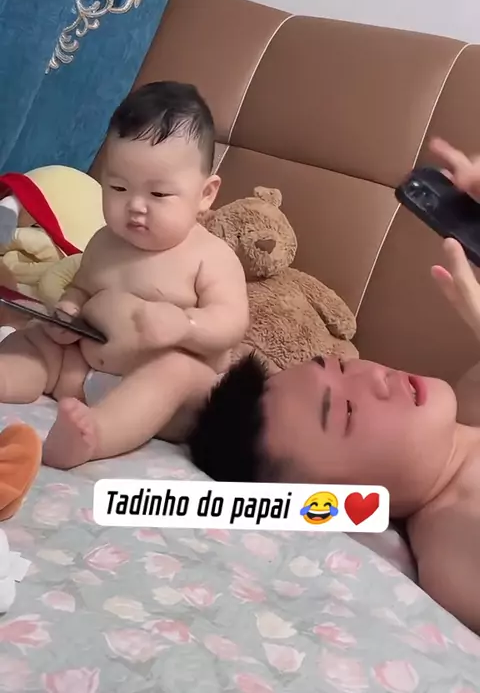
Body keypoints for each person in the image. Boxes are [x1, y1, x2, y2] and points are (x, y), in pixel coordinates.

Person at [187, 137, 480, 635]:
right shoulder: (456, 548)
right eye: (345, 413)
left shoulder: (472, 395)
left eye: (342, 369)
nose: (372, 377)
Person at [0, 82, 249, 469]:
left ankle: (92, 437)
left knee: (177, 370)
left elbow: (232, 321)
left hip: (162, 397)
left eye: (159, 195)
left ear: (205, 194)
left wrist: (186, 326)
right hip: (82, 367)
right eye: (118, 187)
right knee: (34, 338)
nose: (135, 206)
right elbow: (82, 288)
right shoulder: (104, 241)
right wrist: (69, 312)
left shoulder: (211, 257)